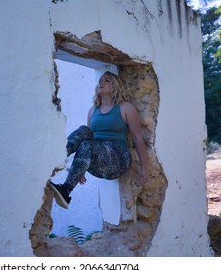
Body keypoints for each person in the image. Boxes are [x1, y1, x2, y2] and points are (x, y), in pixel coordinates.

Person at [49, 71, 148, 209]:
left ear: (115, 86)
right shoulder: (92, 110)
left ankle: (66, 188)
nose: (101, 83)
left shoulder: (126, 108)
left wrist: (144, 168)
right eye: (100, 80)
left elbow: (137, 138)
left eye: (107, 80)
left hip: (118, 159)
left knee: (88, 144)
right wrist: (80, 167)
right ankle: (55, 160)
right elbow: (88, 139)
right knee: (84, 131)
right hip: (99, 160)